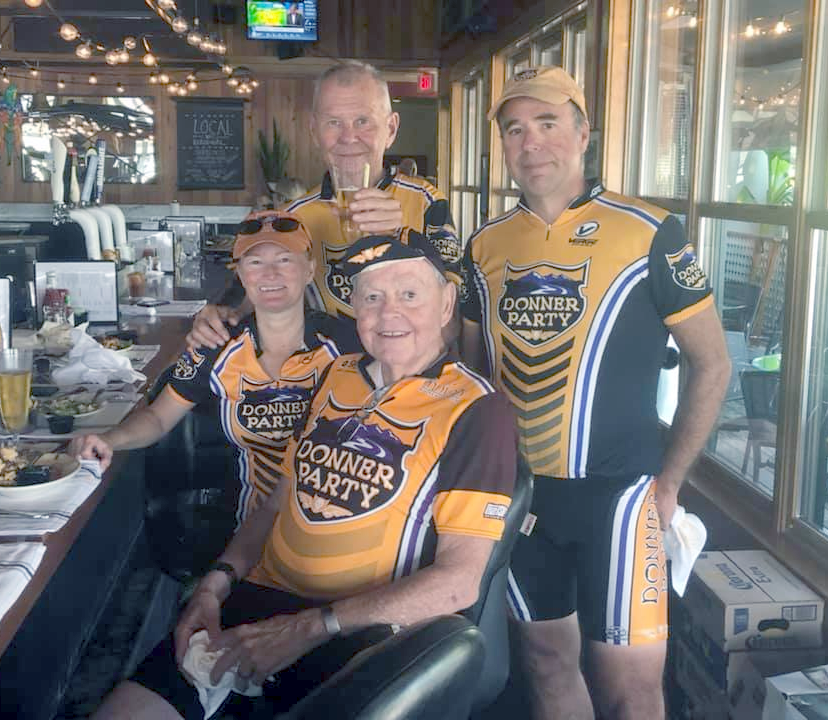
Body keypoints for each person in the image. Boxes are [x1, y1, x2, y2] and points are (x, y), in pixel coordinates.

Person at [91, 231, 518, 720]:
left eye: (410, 294)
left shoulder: (478, 409)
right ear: (354, 308)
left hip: (361, 634)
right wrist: (217, 582)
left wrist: (310, 627)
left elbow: (460, 582)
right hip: (256, 603)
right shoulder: (338, 376)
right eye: (372, 297)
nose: (388, 313)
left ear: (445, 305)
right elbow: (278, 502)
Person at [460, 66, 731, 720]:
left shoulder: (650, 232)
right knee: (547, 667)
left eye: (548, 124)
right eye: (516, 129)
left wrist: (667, 483)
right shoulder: (484, 247)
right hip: (522, 497)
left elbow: (713, 364)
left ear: (584, 133)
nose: (532, 143)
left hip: (623, 496)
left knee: (630, 693)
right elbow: (468, 378)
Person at [70, 211, 357, 527]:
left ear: (309, 270)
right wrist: (111, 439)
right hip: (249, 530)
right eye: (255, 262)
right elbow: (158, 417)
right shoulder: (217, 343)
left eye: (285, 260)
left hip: (335, 525)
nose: (270, 273)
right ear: (241, 274)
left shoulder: (348, 344)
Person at [189, 60, 459, 349]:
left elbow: (453, 325)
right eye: (334, 122)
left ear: (391, 129)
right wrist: (219, 318)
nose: (348, 137)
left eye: (362, 121)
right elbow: (252, 303)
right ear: (314, 131)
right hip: (326, 380)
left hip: (410, 384)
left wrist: (402, 241)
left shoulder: (426, 201)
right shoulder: (292, 217)